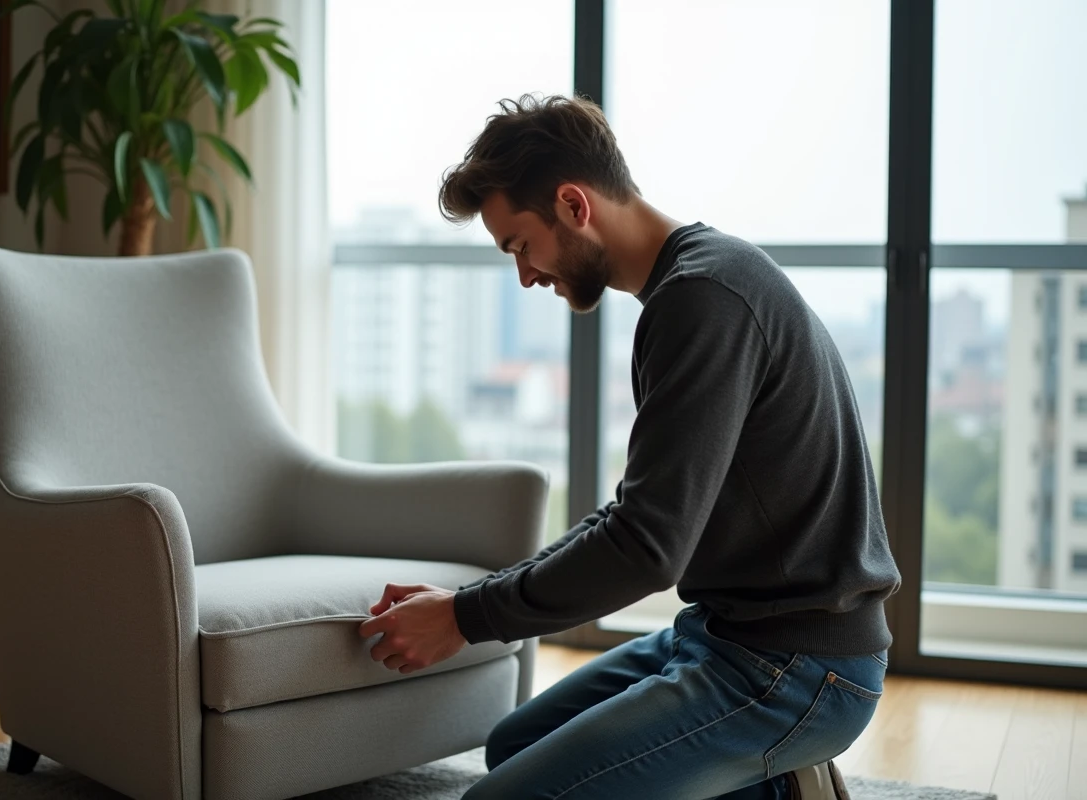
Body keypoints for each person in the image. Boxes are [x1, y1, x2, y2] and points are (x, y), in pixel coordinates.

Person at [357, 94, 901, 800]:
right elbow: (634, 515)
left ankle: (777, 777)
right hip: (723, 633)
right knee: (513, 746)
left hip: (796, 669)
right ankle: (768, 782)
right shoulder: (694, 284)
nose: (524, 275)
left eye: (521, 245)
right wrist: (469, 599)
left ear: (574, 205)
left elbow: (647, 547)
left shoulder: (702, 299)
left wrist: (464, 619)